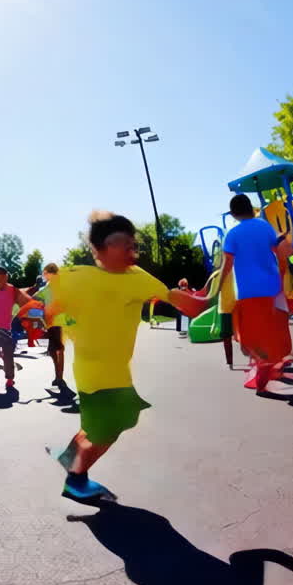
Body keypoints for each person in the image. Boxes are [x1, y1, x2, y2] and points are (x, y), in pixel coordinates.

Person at [46, 211, 171, 502]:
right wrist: (56, 329)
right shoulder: (77, 278)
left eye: (132, 243)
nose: (130, 249)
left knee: (116, 421)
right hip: (94, 369)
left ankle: (70, 457)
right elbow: (46, 304)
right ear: (98, 250)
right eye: (120, 243)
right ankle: (75, 480)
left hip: (115, 369)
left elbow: (186, 303)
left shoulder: (137, 278)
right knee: (109, 427)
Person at [219, 194, 293, 390]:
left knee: (253, 336)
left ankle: (262, 377)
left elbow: (227, 265)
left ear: (234, 214)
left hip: (248, 292)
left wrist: (217, 288)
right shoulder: (265, 227)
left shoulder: (232, 233)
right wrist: (282, 274)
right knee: (272, 330)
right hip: (272, 288)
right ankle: (274, 366)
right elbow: (280, 253)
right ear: (251, 208)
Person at [0, 267, 32, 396]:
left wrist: (33, 314)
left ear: (7, 277)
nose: (0, 280)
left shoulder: (12, 290)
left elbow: (25, 303)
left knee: (8, 357)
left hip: (6, 329)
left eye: (2, 277)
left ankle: (9, 380)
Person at [36, 263, 67, 390]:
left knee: (58, 349)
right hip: (51, 322)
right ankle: (58, 376)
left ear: (50, 273)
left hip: (58, 321)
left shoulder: (58, 285)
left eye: (45, 273)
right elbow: (38, 297)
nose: (44, 275)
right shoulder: (48, 286)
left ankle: (59, 377)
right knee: (54, 350)